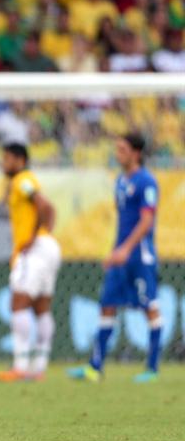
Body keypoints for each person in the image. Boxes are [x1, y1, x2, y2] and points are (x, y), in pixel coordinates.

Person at [69, 134, 164, 383]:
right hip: (120, 255)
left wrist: (125, 249)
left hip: (140, 256)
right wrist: (115, 252)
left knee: (149, 307)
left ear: (136, 153)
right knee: (107, 304)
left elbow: (147, 221)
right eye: (117, 149)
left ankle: (152, 368)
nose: (117, 153)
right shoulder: (121, 181)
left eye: (122, 149)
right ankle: (95, 367)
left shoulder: (147, 182)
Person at [0, 143, 61, 383]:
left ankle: (20, 366)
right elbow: (49, 209)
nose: (3, 164)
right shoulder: (23, 181)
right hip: (48, 247)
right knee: (41, 307)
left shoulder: (22, 180)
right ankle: (38, 367)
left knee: (19, 304)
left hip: (34, 250)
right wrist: (45, 232)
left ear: (20, 160)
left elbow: (45, 206)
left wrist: (33, 236)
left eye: (7, 159)